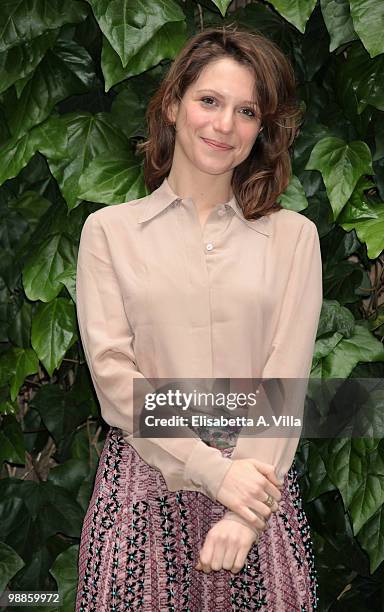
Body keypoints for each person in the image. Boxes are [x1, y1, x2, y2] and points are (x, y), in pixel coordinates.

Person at [75, 25, 322, 611]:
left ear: (263, 129)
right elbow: (115, 380)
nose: (223, 125)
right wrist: (214, 472)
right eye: (208, 101)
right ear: (173, 103)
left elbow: (284, 383)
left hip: (255, 502)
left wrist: (242, 508)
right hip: (144, 496)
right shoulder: (108, 233)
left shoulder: (294, 239)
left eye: (246, 111)